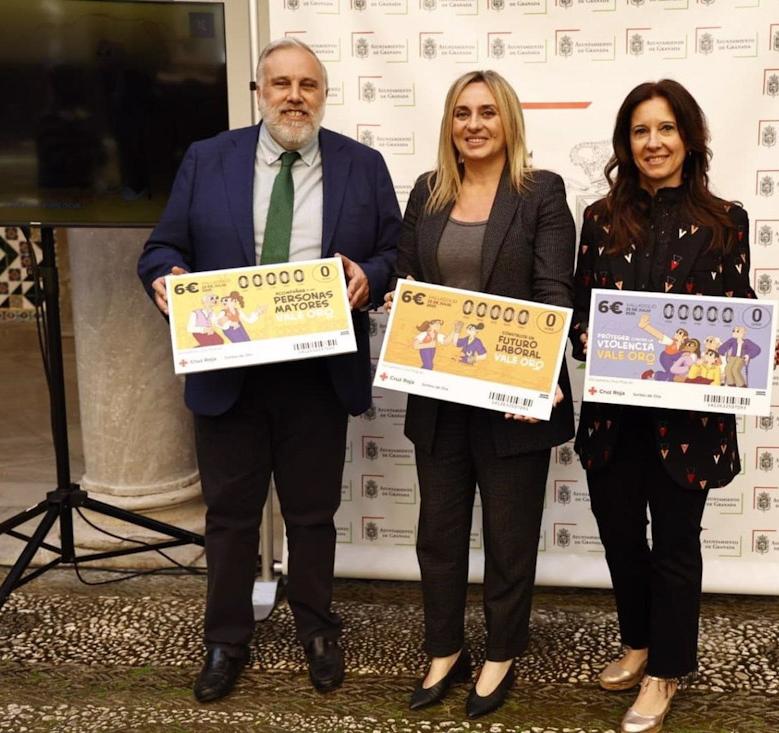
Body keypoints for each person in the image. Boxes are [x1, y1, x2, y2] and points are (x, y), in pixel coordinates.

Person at [136, 38, 400, 702]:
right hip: (231, 373)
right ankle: (225, 639)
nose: (293, 95)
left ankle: (317, 629)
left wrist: (370, 274)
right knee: (229, 515)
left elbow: (395, 249)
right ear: (260, 91)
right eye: (280, 82)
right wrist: (165, 278)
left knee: (312, 513)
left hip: (318, 373)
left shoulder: (362, 166)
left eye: (307, 84)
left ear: (323, 94)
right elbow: (164, 243)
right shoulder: (207, 159)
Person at [569, 79, 779, 733]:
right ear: (626, 143)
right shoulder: (599, 220)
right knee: (620, 542)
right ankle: (637, 642)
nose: (653, 142)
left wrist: (758, 345)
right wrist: (585, 336)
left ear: (688, 139)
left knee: (673, 547)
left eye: (665, 128)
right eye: (640, 131)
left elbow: (738, 307)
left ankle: (666, 669)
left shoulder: (727, 220)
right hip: (614, 418)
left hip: (687, 425)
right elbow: (583, 312)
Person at [384, 70, 575, 719]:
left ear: (508, 120)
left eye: (486, 112)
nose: (473, 123)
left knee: (509, 535)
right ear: (449, 123)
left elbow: (554, 288)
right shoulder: (428, 192)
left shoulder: (540, 193)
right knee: (437, 533)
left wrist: (545, 370)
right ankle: (444, 647)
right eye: (462, 112)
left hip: (513, 399)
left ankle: (500, 651)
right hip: (438, 397)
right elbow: (411, 273)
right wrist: (399, 299)